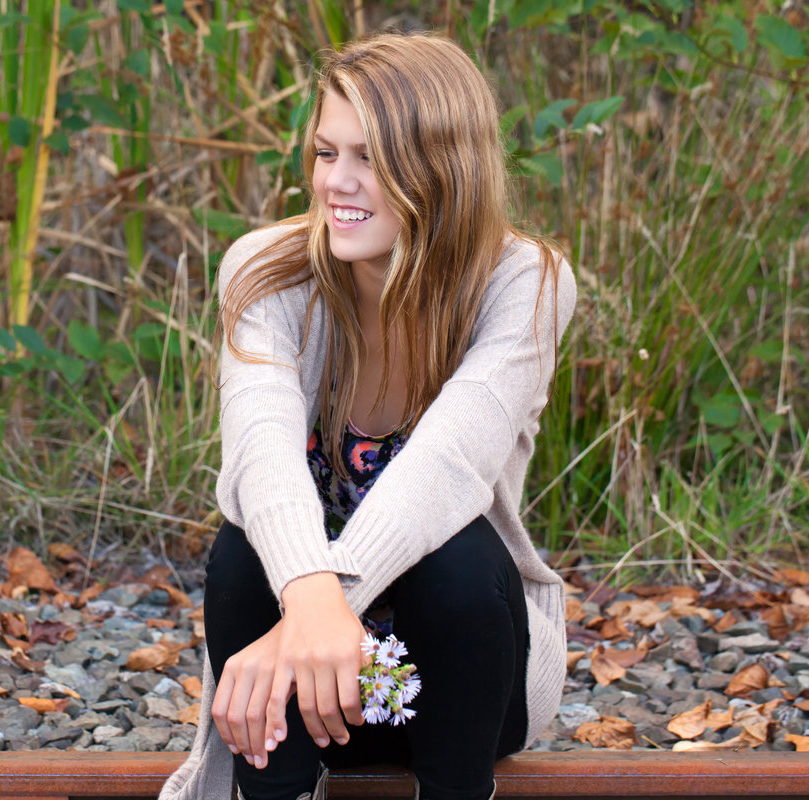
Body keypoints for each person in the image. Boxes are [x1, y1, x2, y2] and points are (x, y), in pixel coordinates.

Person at [160, 30, 576, 800]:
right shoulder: (264, 271)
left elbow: (445, 469)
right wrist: (309, 615)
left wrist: (302, 621)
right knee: (244, 547)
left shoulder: (524, 281)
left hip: (463, 688)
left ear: (442, 166)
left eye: (370, 159)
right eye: (326, 153)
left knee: (456, 552)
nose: (337, 183)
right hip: (303, 696)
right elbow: (262, 460)